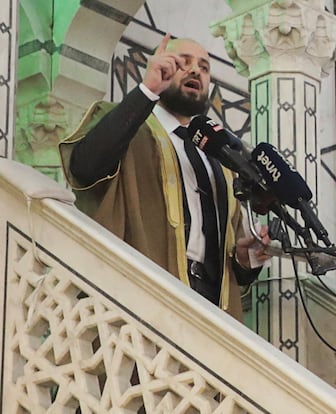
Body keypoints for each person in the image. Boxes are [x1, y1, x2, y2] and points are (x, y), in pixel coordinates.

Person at [59, 34, 270, 321]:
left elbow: (228, 256)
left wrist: (246, 261)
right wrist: (148, 90)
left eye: (204, 67)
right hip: (139, 302)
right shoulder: (127, 127)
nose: (195, 70)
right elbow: (84, 167)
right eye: (183, 62)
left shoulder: (221, 161)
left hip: (211, 313)